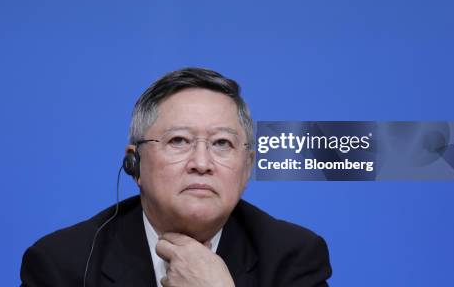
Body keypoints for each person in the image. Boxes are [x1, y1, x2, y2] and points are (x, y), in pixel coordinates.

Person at [20, 67, 332, 286]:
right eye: (178, 141)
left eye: (222, 143)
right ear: (135, 162)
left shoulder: (291, 257)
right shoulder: (64, 264)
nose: (201, 163)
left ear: (247, 168)